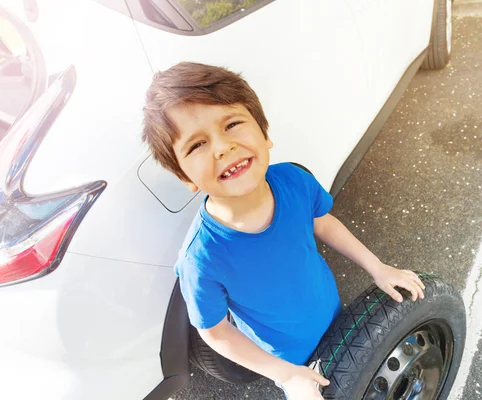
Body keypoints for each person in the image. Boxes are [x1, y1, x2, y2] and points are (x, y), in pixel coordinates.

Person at [141, 62, 425, 400]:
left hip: (337, 317)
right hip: (291, 362)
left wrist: (378, 268)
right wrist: (286, 375)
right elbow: (215, 333)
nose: (222, 147)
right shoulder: (201, 259)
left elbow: (323, 222)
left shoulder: (293, 180)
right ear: (185, 177)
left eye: (232, 124)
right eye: (196, 145)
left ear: (264, 133)